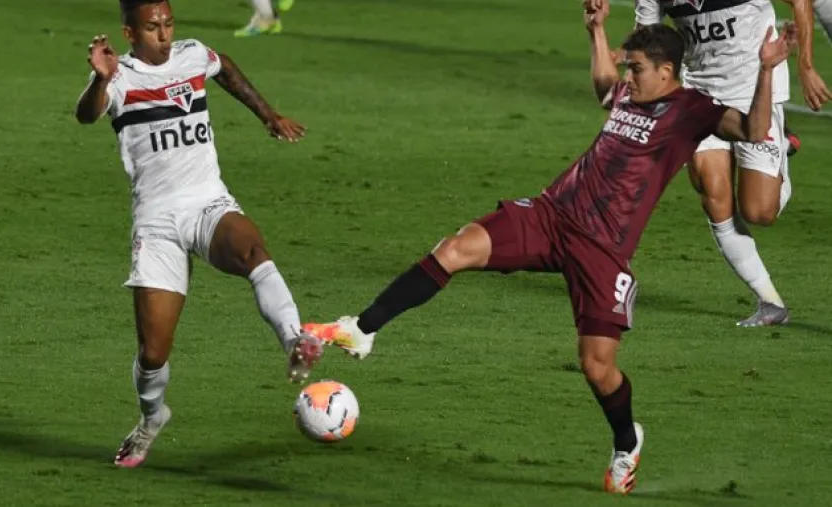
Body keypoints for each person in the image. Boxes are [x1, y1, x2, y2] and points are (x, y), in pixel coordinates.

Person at [306, 0, 793, 494]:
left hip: (602, 249)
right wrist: (597, 31)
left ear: (667, 72)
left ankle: (626, 441)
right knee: (454, 249)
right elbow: (605, 86)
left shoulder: (692, 110)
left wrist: (768, 70)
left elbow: (753, 130)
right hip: (550, 214)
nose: (629, 75)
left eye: (638, 68)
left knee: (596, 367)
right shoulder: (628, 93)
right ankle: (362, 329)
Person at [74, 0, 323, 468]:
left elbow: (224, 67)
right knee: (152, 353)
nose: (164, 35)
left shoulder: (191, 54)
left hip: (207, 200)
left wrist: (267, 115)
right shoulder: (120, 77)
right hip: (157, 220)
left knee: (252, 248)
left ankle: (295, 339)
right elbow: (87, 115)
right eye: (152, 27)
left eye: (168, 24)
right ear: (130, 32)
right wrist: (101, 79)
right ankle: (152, 418)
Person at [633, 0, 830, 327]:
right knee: (710, 188)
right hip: (700, 93)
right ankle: (770, 302)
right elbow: (647, 41)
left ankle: (779, 143)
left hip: (756, 85)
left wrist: (805, 66)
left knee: (759, 211)